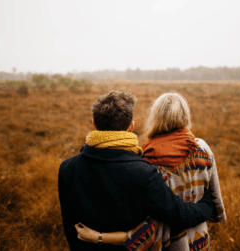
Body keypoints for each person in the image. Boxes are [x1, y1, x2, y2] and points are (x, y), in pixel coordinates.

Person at [58, 91, 214, 251]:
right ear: (131, 126)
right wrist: (207, 206)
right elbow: (178, 214)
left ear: (94, 124)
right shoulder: (143, 171)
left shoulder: (66, 168)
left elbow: (70, 228)